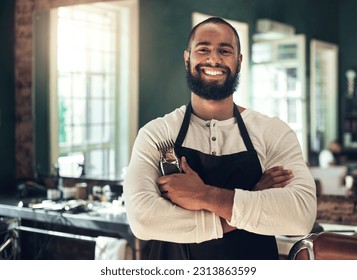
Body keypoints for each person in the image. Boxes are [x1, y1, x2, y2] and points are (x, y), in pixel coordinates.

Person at [123, 17, 317, 260]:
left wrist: (204, 196)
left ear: (239, 61)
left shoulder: (273, 132)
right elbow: (143, 220)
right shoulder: (157, 134)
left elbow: (299, 216)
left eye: (224, 51)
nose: (214, 59)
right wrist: (249, 202)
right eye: (203, 49)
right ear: (187, 58)